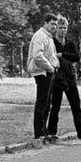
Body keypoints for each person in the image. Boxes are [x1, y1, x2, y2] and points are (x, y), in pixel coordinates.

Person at [46, 15, 81, 145]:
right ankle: (51, 133)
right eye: (60, 27)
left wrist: (62, 55)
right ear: (56, 29)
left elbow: (76, 57)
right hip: (58, 79)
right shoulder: (52, 43)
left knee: (76, 107)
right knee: (55, 107)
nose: (62, 30)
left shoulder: (70, 43)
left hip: (70, 78)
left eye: (64, 28)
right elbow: (50, 57)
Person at [27, 13, 59, 142]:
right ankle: (39, 132)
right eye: (52, 23)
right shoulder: (40, 36)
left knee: (47, 103)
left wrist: (55, 65)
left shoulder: (49, 37)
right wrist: (50, 67)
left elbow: (52, 55)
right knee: (42, 102)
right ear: (45, 23)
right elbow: (38, 55)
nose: (54, 26)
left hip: (48, 72)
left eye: (56, 24)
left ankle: (44, 130)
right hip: (42, 72)